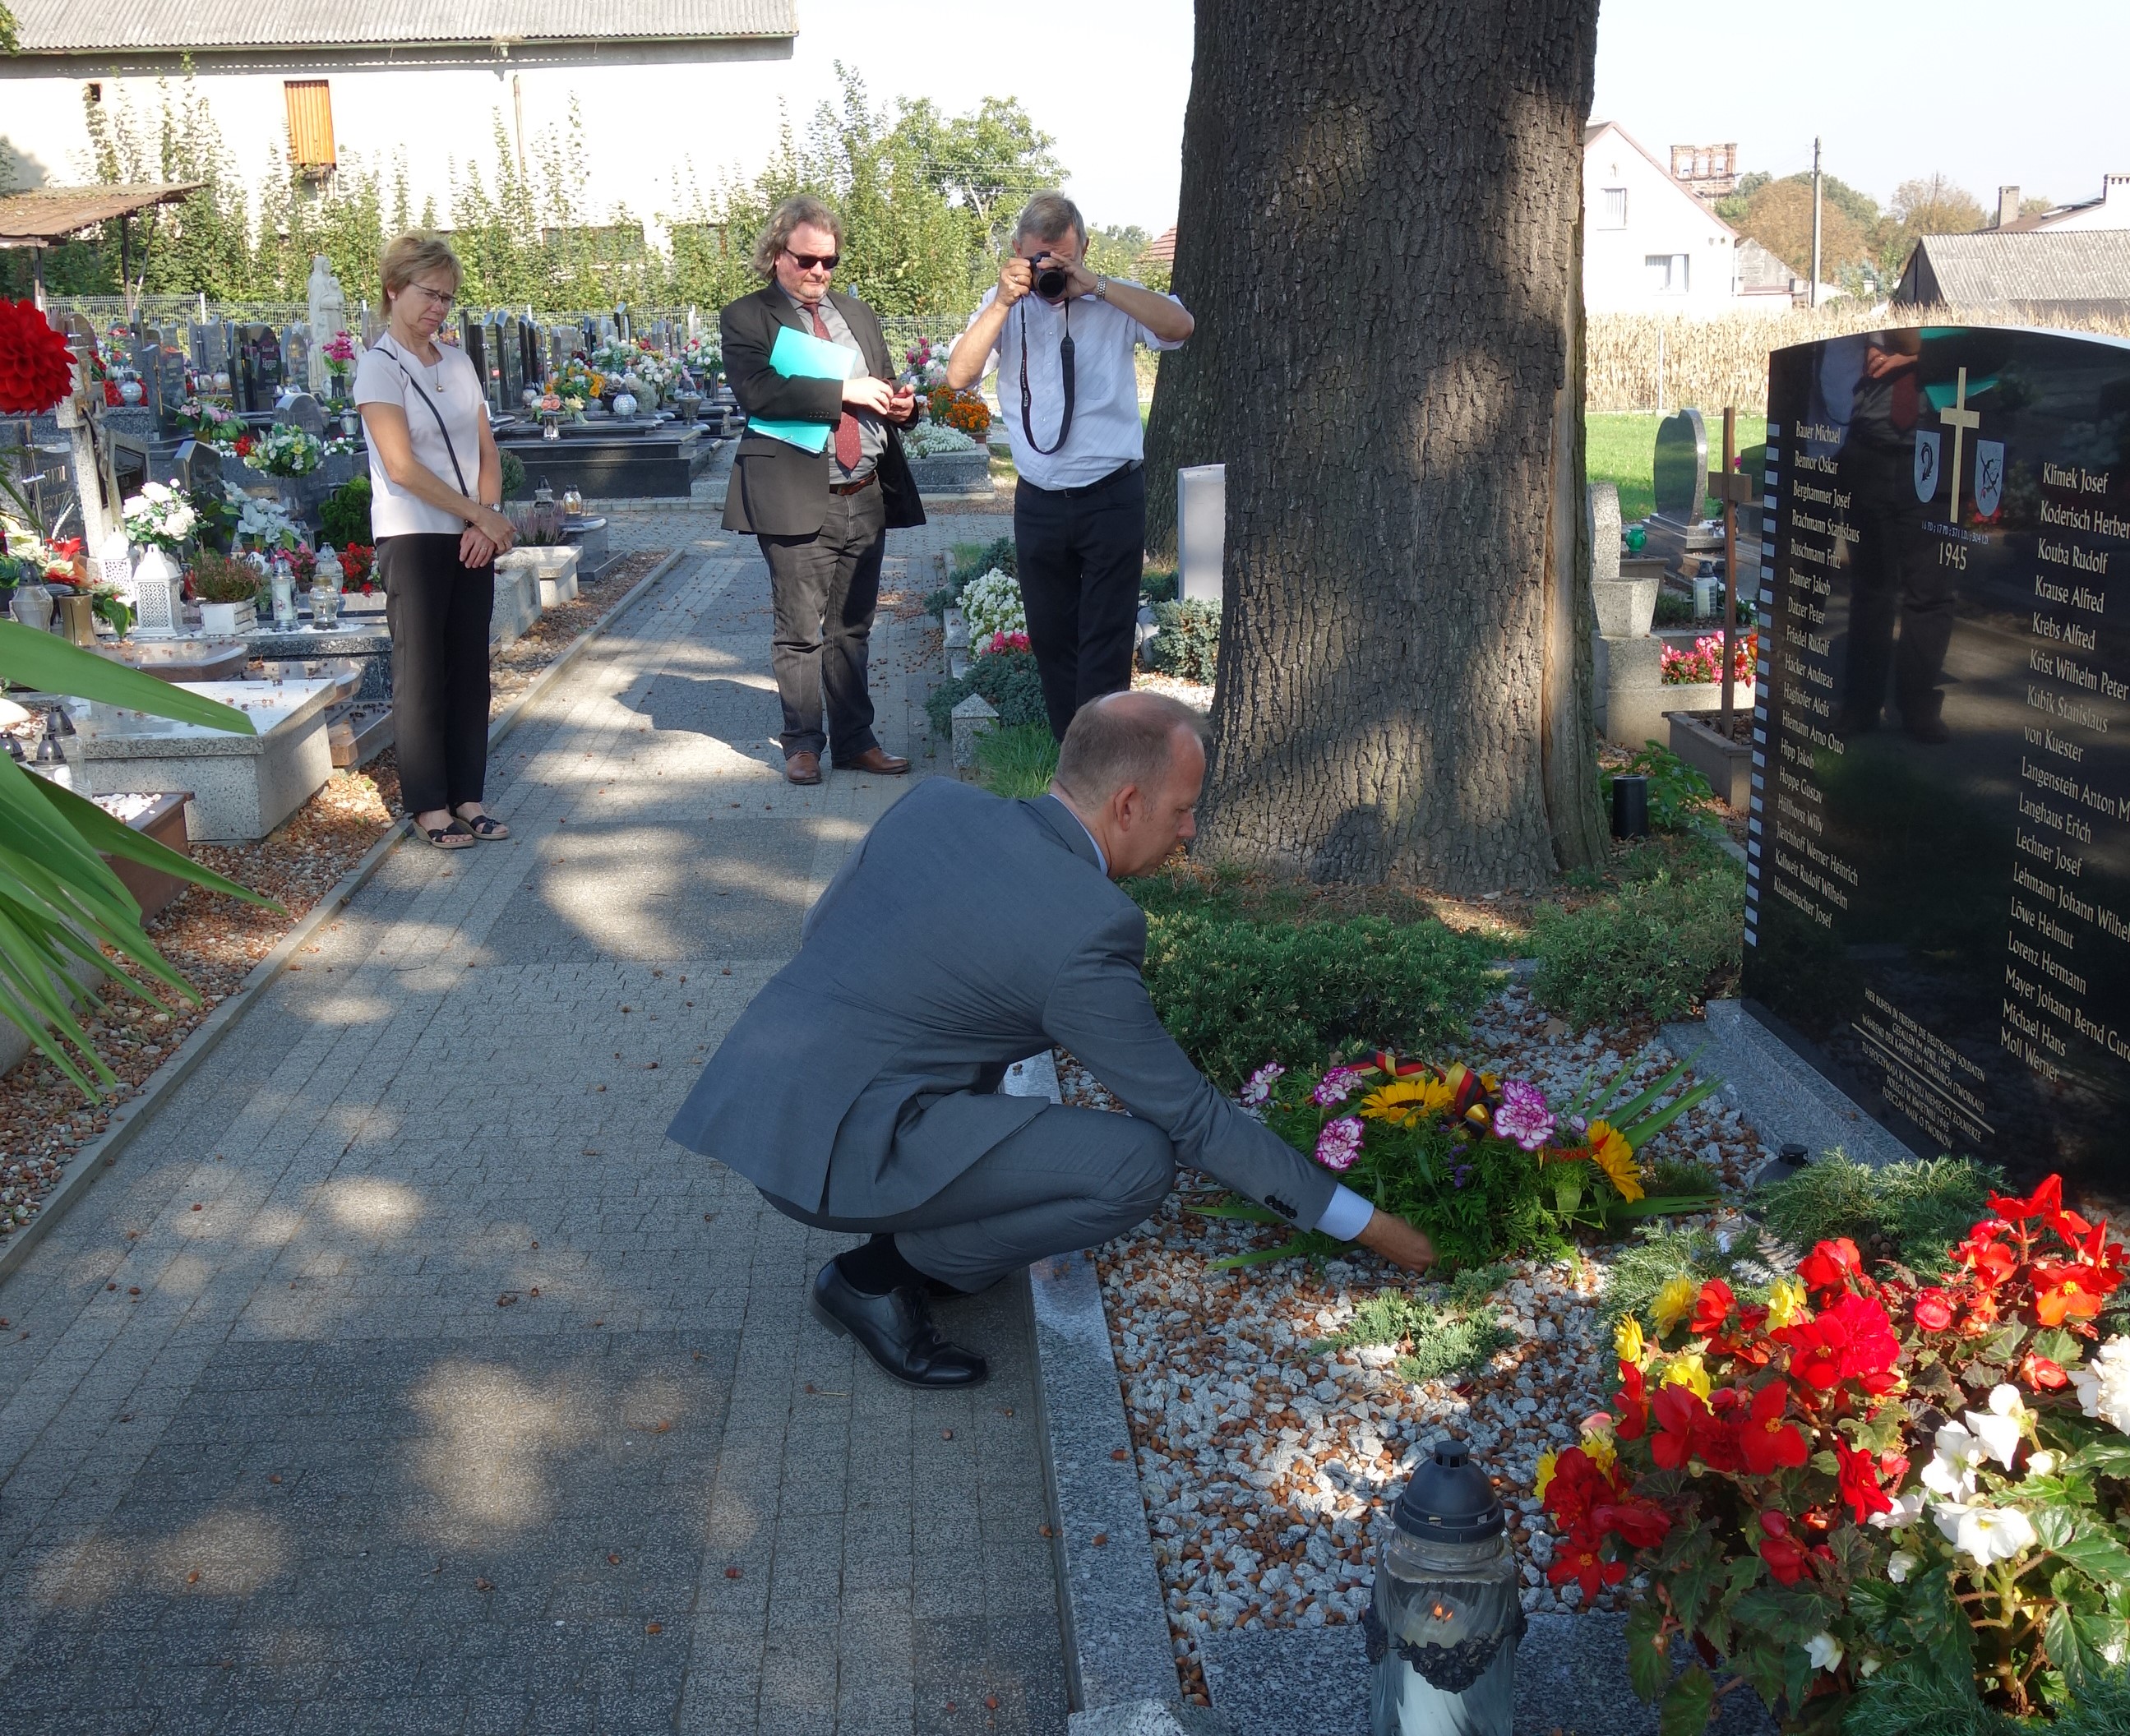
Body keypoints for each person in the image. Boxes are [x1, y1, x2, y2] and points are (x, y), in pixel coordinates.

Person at [666, 692, 1435, 1389]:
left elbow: (823, 931)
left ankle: (919, 1221)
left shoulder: (934, 805)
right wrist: (1374, 1228)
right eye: (1183, 810)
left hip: (768, 1105)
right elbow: (1193, 1120)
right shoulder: (1088, 929)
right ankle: (873, 1276)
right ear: (1128, 803)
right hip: (838, 1159)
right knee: (1135, 1164)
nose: (1191, 832)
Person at [946, 193, 1194, 741]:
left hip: (1111, 493)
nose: (1051, 272)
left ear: (1083, 247)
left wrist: (1097, 285)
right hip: (1039, 498)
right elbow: (958, 377)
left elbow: (1179, 327)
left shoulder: (1112, 301)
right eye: (1040, 260)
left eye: (1062, 258)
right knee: (1051, 637)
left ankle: (1102, 758)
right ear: (1016, 252)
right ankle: (1071, 752)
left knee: (1106, 638)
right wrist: (1002, 304)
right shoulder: (1002, 305)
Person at [720, 195, 926, 786]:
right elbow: (758, 392)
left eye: (828, 262)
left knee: (853, 628)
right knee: (798, 629)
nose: (818, 273)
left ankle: (856, 741)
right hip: (794, 495)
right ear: (775, 254)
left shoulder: (857, 314)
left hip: (865, 490)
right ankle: (803, 743)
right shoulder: (747, 316)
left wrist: (902, 406)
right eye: (806, 260)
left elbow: (879, 387)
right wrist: (844, 392)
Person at [353, 232, 516, 849]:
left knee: (470, 667)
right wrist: (478, 514)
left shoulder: (458, 362)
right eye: (428, 294)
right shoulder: (378, 366)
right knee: (421, 671)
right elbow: (401, 466)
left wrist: (486, 515)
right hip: (414, 534)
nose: (439, 308)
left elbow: (485, 448)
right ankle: (428, 805)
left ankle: (468, 795)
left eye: (448, 298)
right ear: (394, 289)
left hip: (470, 532)